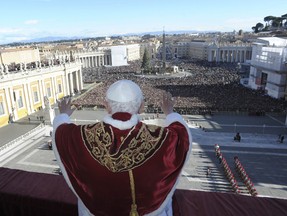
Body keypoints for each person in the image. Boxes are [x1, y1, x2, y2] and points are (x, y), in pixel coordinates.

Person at [52, 79, 192, 216]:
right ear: (142, 106)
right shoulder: (161, 138)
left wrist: (63, 114)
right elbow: (181, 136)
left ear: (106, 105)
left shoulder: (83, 135)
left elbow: (61, 132)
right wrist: (170, 113)